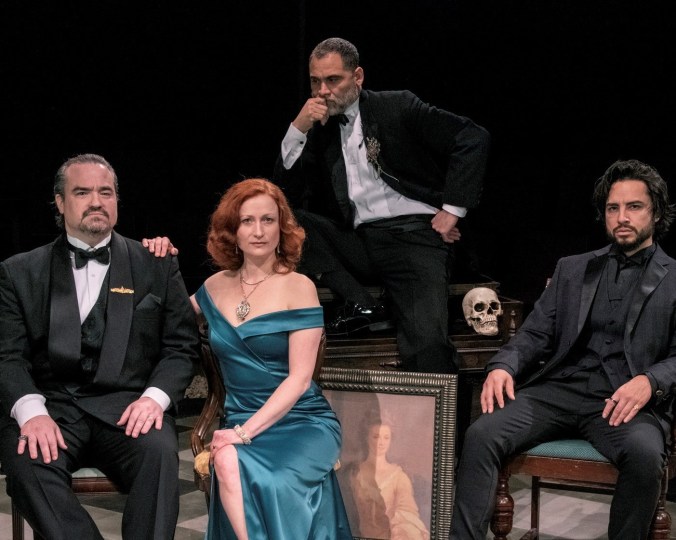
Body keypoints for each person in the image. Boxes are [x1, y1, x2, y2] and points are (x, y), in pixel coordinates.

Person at [450, 159, 676, 539]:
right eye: (613, 208)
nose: (622, 217)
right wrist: (503, 366)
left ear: (655, 213)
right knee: (482, 433)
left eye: (634, 206)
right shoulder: (573, 269)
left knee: (644, 454)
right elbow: (535, 332)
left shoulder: (674, 278)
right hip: (559, 392)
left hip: (623, 402)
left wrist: (650, 381)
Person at [0, 153, 200, 539]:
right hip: (52, 407)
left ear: (117, 201)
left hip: (128, 408)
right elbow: (7, 356)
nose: (96, 201)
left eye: (105, 192)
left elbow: (181, 346)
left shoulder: (156, 263)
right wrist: (31, 413)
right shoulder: (19, 272)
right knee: (27, 461)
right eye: (82, 192)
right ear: (60, 202)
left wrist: (154, 400)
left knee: (159, 454)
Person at [273, 37, 490, 374]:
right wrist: (298, 128)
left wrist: (453, 209)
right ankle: (362, 303)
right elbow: (283, 192)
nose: (322, 91)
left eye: (333, 80)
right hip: (360, 240)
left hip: (413, 237)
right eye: (315, 81)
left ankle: (436, 407)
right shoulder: (320, 128)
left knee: (426, 345)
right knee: (285, 221)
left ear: (357, 76)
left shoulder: (396, 106)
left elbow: (472, 137)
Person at [191, 178, 352, 539]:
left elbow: (299, 379)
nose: (259, 231)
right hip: (241, 415)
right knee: (227, 459)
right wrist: (156, 259)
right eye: (247, 221)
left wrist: (243, 433)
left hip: (301, 421)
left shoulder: (299, 287)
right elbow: (165, 317)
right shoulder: (213, 287)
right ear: (232, 230)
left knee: (249, 465)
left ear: (282, 227)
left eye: (268, 220)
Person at [345, 417, 430, 540]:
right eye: (376, 437)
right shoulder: (353, 473)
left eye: (386, 438)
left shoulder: (399, 477)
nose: (381, 442)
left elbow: (407, 515)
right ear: (366, 438)